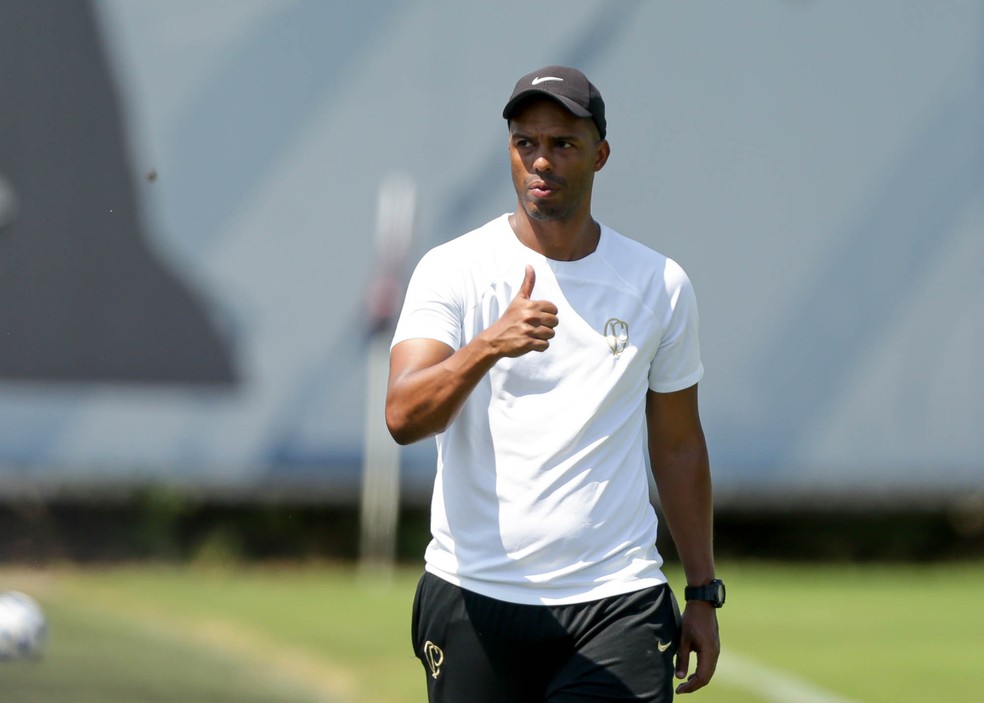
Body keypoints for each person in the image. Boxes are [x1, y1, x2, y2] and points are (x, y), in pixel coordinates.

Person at [386, 65, 722, 702]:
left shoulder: (659, 284)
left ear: (600, 154)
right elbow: (403, 415)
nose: (542, 160)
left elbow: (678, 448)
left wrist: (703, 592)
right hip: (473, 596)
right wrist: (489, 344)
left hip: (614, 603)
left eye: (563, 144)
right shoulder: (452, 269)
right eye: (526, 143)